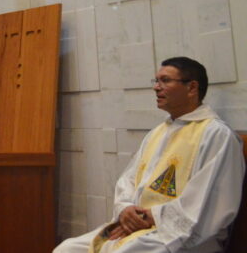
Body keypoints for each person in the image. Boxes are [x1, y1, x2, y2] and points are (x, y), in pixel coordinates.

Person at [53, 57, 244, 253]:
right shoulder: (158, 132)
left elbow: (206, 204)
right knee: (67, 249)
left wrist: (148, 217)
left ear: (192, 88)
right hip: (141, 228)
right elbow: (128, 181)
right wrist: (126, 209)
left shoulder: (216, 136)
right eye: (156, 81)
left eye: (165, 80)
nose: (156, 87)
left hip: (185, 238)